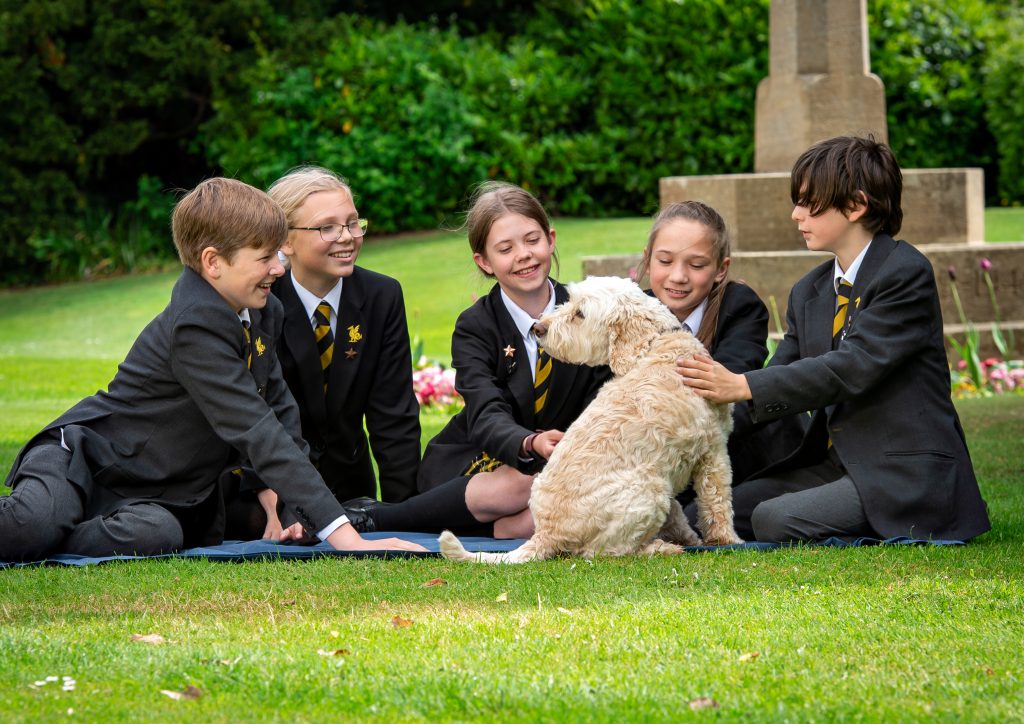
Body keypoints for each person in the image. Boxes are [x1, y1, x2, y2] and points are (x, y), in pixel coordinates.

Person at [0, 178, 425, 561]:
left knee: (160, 535)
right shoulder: (195, 323)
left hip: (157, 493)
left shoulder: (262, 309)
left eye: (277, 255)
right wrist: (348, 540)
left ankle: (62, 532)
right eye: (265, 258)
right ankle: (50, 526)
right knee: (30, 530)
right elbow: (255, 428)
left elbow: (281, 414)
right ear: (213, 262)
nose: (278, 269)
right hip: (83, 462)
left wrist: (290, 506)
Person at [679, 135, 991, 543]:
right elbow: (784, 375)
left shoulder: (904, 272)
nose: (795, 214)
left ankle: (905, 522)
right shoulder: (809, 291)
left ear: (857, 205)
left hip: (902, 473)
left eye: (809, 203)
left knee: (774, 519)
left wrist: (741, 384)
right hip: (835, 464)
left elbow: (853, 366)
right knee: (698, 515)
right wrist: (683, 430)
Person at [346, 181, 611, 539]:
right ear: (484, 262)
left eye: (533, 240)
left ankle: (505, 528)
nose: (524, 255)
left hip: (569, 459)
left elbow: (604, 399)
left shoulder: (589, 312)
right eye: (505, 248)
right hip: (481, 456)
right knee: (520, 484)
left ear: (550, 239)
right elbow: (485, 412)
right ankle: (383, 519)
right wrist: (529, 443)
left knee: (543, 504)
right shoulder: (475, 326)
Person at [235, 167, 419, 534]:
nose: (347, 237)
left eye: (353, 223)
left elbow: (393, 417)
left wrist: (406, 514)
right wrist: (270, 499)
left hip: (351, 493)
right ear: (284, 241)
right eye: (328, 227)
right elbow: (249, 413)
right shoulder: (257, 300)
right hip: (267, 495)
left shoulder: (381, 296)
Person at [636, 200, 805, 488]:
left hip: (745, 464)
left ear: (720, 269)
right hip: (659, 467)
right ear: (648, 258)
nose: (678, 276)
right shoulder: (635, 313)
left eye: (697, 264)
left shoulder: (740, 306)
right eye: (664, 261)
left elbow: (722, 397)